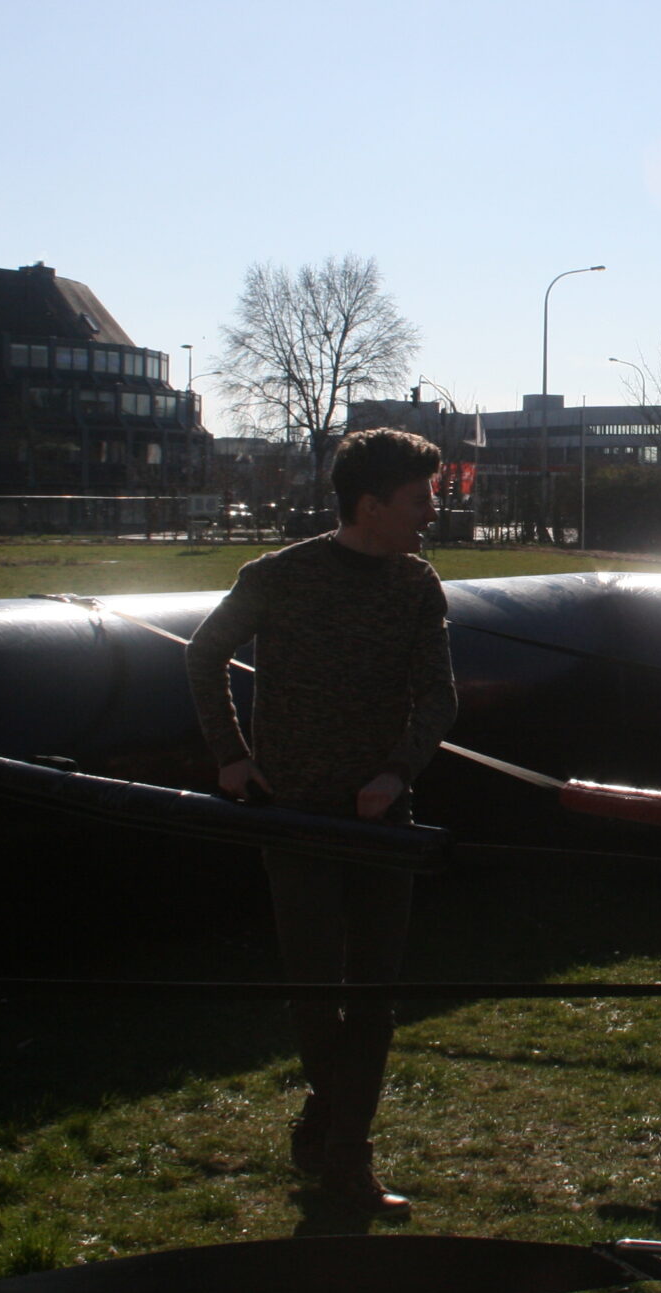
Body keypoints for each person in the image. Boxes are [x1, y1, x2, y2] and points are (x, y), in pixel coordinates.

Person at [184, 428, 457, 1211]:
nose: (431, 513)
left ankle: (346, 1155)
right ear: (370, 505)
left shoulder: (418, 585)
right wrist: (231, 757)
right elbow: (203, 655)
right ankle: (332, 1119)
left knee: (374, 994)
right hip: (293, 814)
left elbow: (439, 697)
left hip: (383, 820)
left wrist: (394, 771)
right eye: (419, 499)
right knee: (312, 990)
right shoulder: (277, 576)